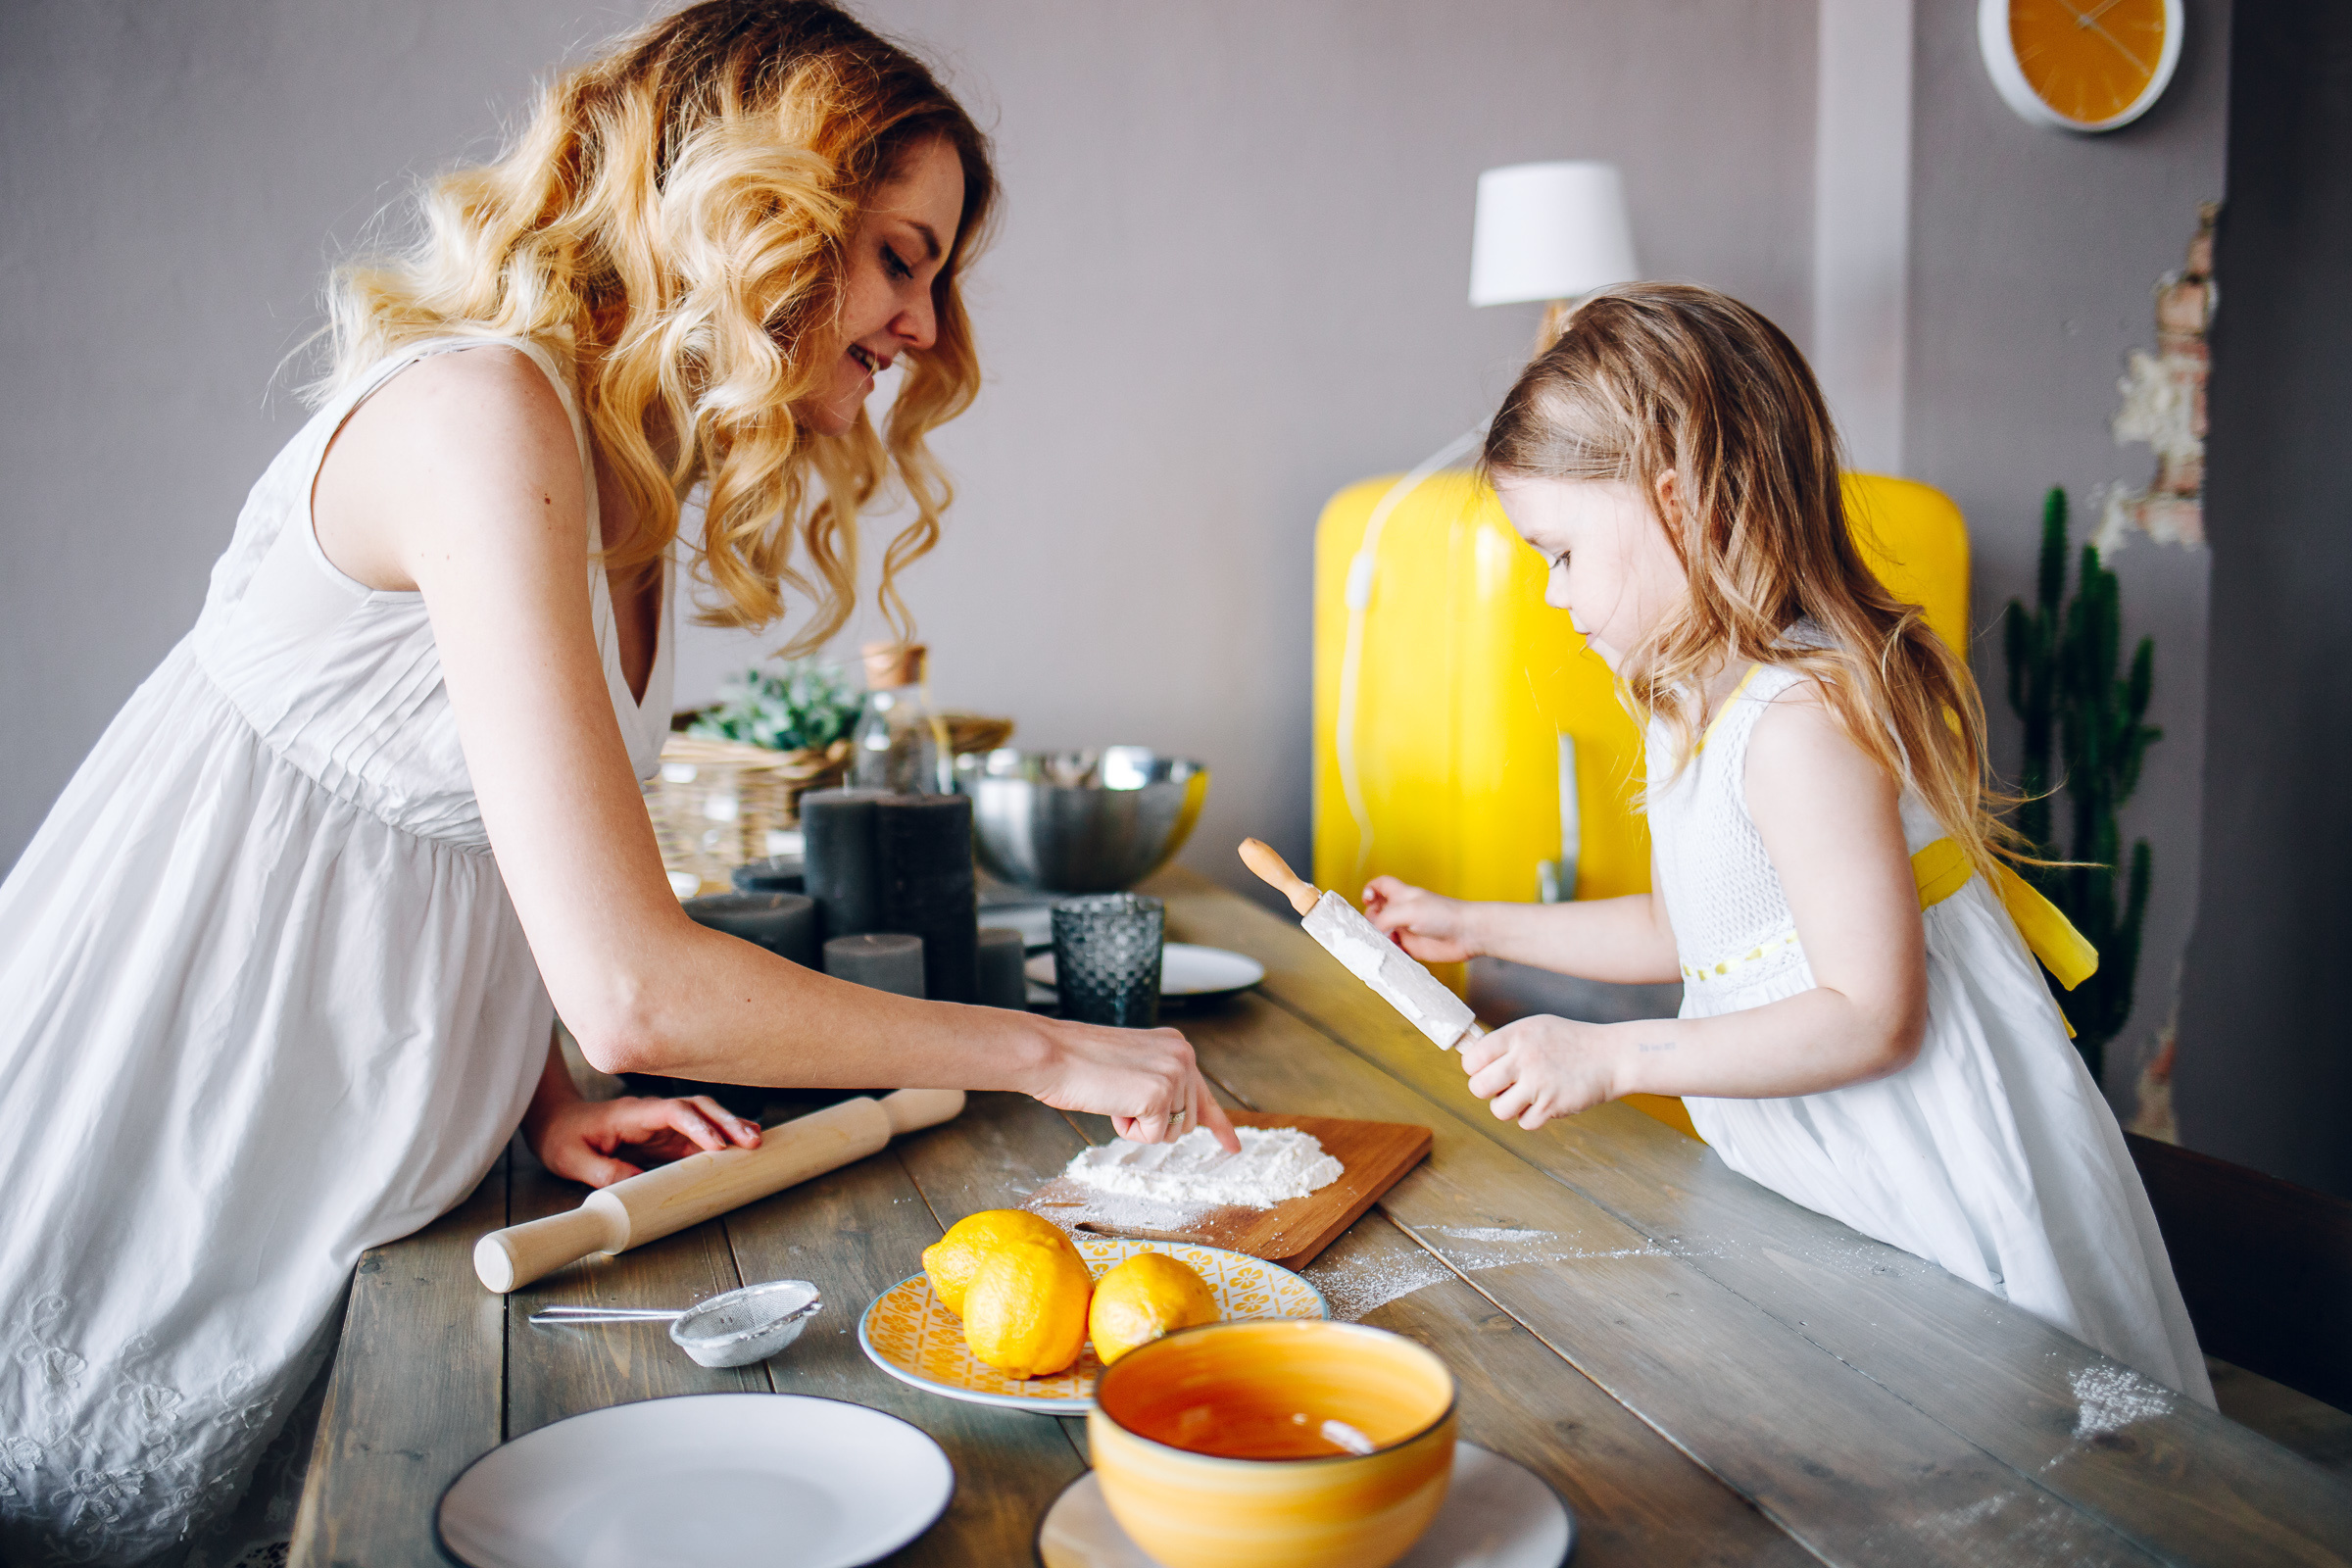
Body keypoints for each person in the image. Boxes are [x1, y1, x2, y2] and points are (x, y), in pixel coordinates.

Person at [0, 4, 1234, 1561]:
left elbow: (457, 838)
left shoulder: (624, 494)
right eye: (903, 254)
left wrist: (543, 1090)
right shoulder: (478, 415)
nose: (925, 328)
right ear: (758, 209)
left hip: (365, 1182)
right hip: (158, 1137)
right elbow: (636, 983)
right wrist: (1048, 1055)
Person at [1362, 283, 2210, 1402]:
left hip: (1927, 1170)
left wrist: (1610, 1057)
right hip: (1831, 1173)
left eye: (1561, 552)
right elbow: (1695, 931)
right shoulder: (1688, 700)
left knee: (2018, 1438)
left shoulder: (1801, 719)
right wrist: (1471, 924)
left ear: (1683, 502)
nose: (1558, 598)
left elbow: (1873, 1014)